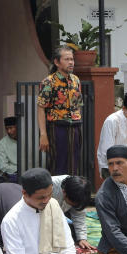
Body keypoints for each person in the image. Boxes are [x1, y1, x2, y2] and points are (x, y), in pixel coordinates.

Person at [1, 168, 113, 254]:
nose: (46, 200)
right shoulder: (11, 220)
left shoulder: (53, 204)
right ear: (24, 193)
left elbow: (67, 244)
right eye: (41, 197)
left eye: (49, 195)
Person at [37, 46, 84, 175]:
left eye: (72, 59)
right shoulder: (49, 82)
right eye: (67, 59)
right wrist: (43, 135)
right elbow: (41, 108)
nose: (71, 62)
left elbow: (77, 104)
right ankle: (55, 194)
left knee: (74, 164)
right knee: (57, 164)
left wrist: (78, 121)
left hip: (75, 126)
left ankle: (71, 193)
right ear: (57, 62)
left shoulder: (76, 80)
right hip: (57, 127)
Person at [96, 92, 127, 181]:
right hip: (111, 166)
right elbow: (106, 151)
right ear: (124, 109)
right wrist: (121, 169)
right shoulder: (112, 121)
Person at [51, 175, 96, 253]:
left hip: (59, 215)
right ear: (64, 192)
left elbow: (79, 216)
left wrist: (82, 238)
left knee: (72, 237)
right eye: (72, 203)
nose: (73, 206)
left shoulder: (80, 192)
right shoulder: (49, 188)